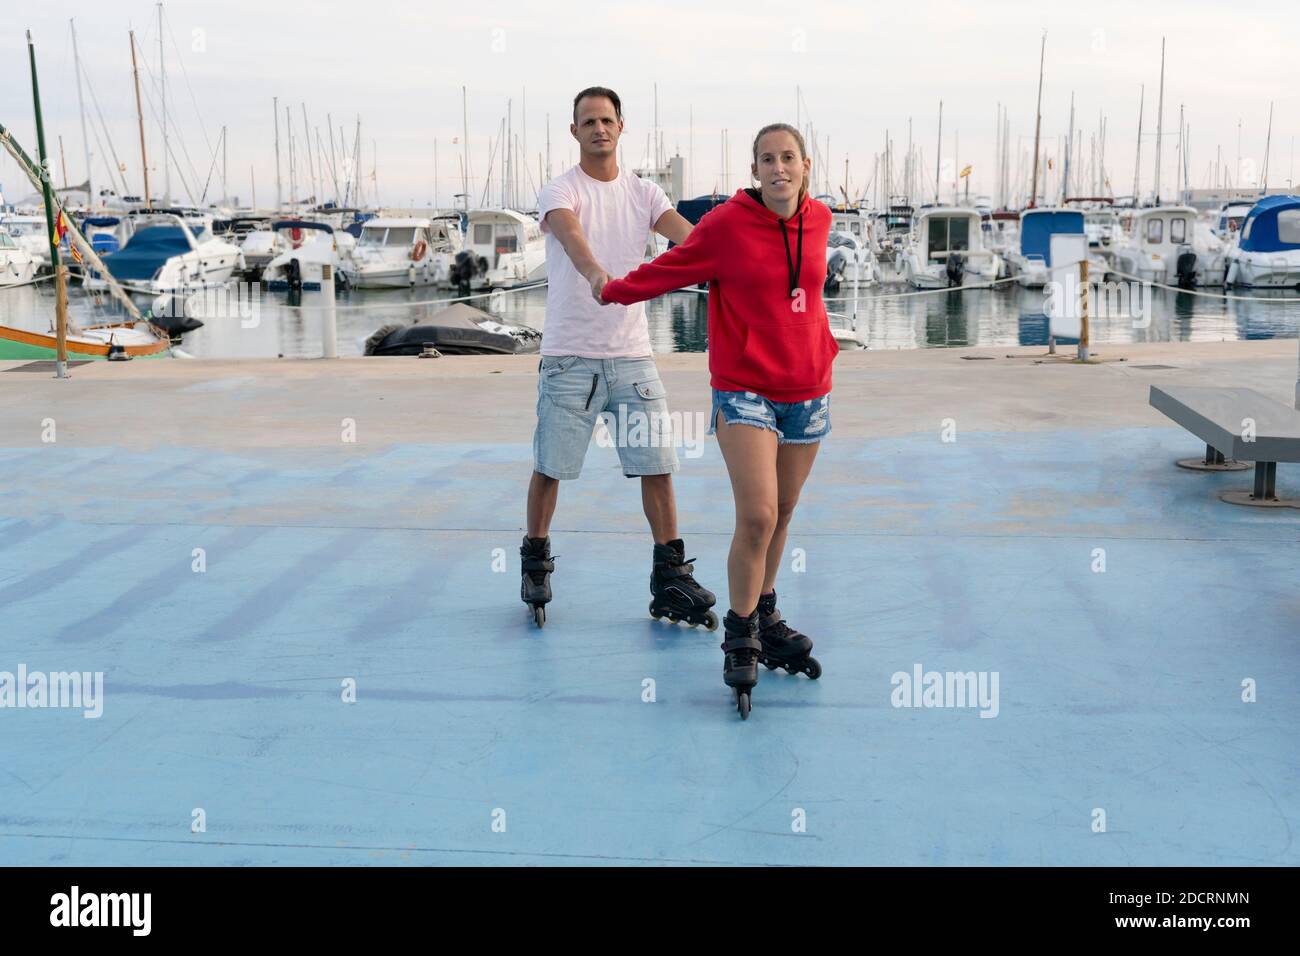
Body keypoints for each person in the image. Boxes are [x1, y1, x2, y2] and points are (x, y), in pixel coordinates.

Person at [600, 123, 837, 718]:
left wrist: (823, 347)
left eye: (788, 158)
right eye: (767, 159)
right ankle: (739, 631)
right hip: (744, 388)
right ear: (754, 170)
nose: (779, 168)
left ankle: (766, 612)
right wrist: (613, 290)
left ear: (805, 166)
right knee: (756, 514)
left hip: (808, 388)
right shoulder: (728, 226)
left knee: (782, 512)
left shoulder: (821, 220)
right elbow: (673, 267)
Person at [520, 86, 717, 631]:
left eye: (607, 120)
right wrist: (595, 274)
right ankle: (535, 561)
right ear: (575, 131)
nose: (599, 129)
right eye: (588, 121)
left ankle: (670, 575)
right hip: (569, 357)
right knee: (551, 467)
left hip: (631, 355)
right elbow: (571, 235)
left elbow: (688, 238)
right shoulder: (561, 189)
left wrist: (726, 254)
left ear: (621, 127)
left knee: (658, 467)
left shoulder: (644, 192)